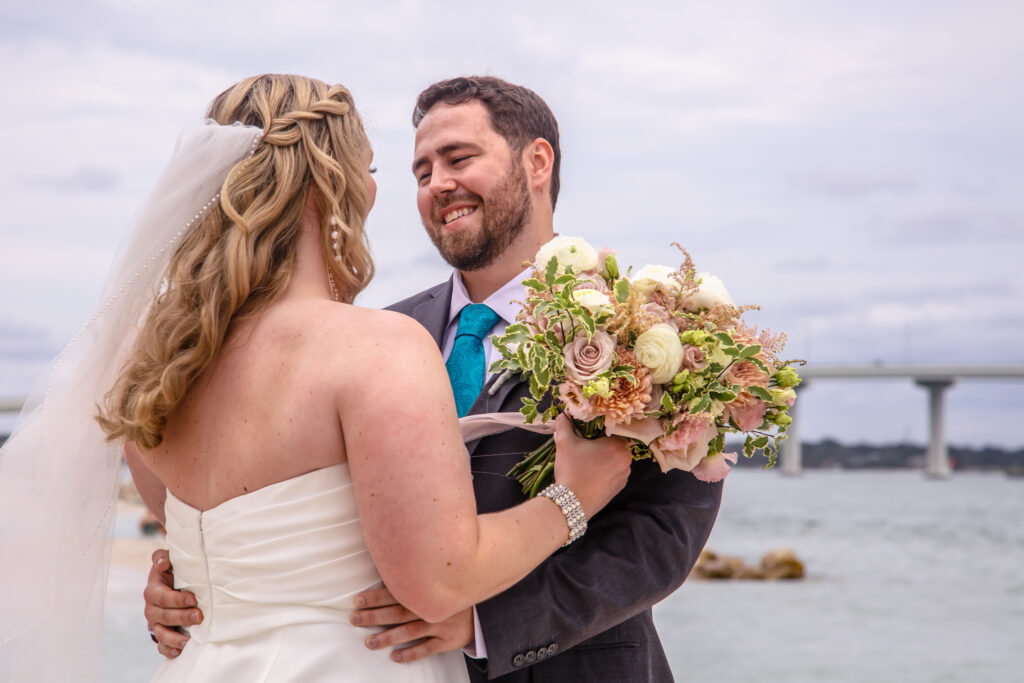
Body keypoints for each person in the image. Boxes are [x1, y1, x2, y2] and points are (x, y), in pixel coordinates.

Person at [0, 74, 632, 683]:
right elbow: (438, 579)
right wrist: (572, 499)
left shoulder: (157, 368)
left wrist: (185, 587)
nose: (385, 189)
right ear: (325, 188)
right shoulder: (379, 347)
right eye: (376, 170)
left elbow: (215, 546)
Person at [145, 76, 724, 682]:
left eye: (458, 158)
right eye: (420, 172)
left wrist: (485, 623)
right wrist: (195, 579)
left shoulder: (654, 325)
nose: (437, 184)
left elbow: (664, 533)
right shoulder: (375, 337)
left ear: (537, 160)